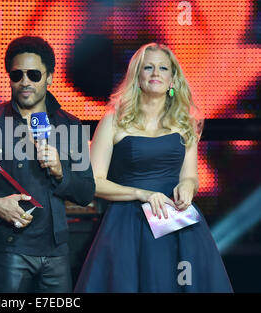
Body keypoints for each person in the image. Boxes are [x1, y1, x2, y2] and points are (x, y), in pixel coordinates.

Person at [74, 43, 233, 292]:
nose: (156, 73)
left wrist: (188, 187)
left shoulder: (186, 123)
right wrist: (141, 194)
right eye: (148, 67)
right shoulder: (113, 120)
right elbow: (94, 181)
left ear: (172, 79)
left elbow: (190, 176)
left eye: (162, 68)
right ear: (137, 77)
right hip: (127, 223)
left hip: (175, 223)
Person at [0, 36, 95, 293]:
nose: (25, 82)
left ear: (49, 77)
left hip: (56, 250)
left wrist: (59, 171)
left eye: (34, 74)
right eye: (17, 74)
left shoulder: (70, 126)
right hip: (9, 247)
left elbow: (85, 192)